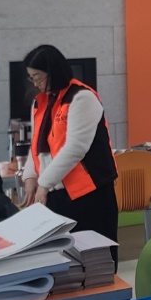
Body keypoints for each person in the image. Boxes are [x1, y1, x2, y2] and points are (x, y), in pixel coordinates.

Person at [21, 44, 119, 261]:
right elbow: (36, 144)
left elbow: (76, 148)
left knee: (94, 259)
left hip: (88, 193)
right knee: (62, 259)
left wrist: (44, 183)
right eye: (31, 78)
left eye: (38, 77)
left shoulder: (81, 97)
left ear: (53, 72)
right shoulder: (40, 102)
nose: (35, 83)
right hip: (54, 192)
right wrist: (30, 177)